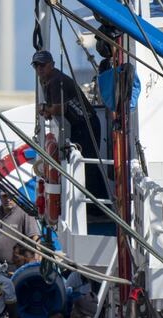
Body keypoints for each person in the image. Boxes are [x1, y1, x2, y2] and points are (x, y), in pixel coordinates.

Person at [33, 50, 104, 210]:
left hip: (87, 124)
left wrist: (45, 108)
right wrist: (48, 110)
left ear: (51, 65)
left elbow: (59, 108)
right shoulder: (46, 80)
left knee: (88, 165)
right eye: (36, 66)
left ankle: (98, 207)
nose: (39, 69)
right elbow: (55, 108)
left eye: (42, 65)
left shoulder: (55, 80)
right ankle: (94, 207)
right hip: (80, 125)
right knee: (85, 165)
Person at [0, 189, 40, 269]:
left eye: (11, 196)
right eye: (4, 196)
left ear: (17, 197)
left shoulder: (24, 213)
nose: (8, 199)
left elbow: (34, 238)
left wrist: (35, 260)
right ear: (0, 197)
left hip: (17, 265)